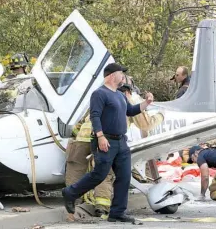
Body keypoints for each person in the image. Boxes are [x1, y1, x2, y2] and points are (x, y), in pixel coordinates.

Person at [62, 63, 154, 223]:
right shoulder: (99, 93)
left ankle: (117, 212)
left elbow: (130, 111)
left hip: (121, 142)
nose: (123, 76)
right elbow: (95, 116)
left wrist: (146, 103)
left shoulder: (119, 95)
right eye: (121, 73)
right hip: (106, 140)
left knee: (124, 176)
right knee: (99, 174)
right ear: (112, 75)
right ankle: (70, 193)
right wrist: (100, 136)